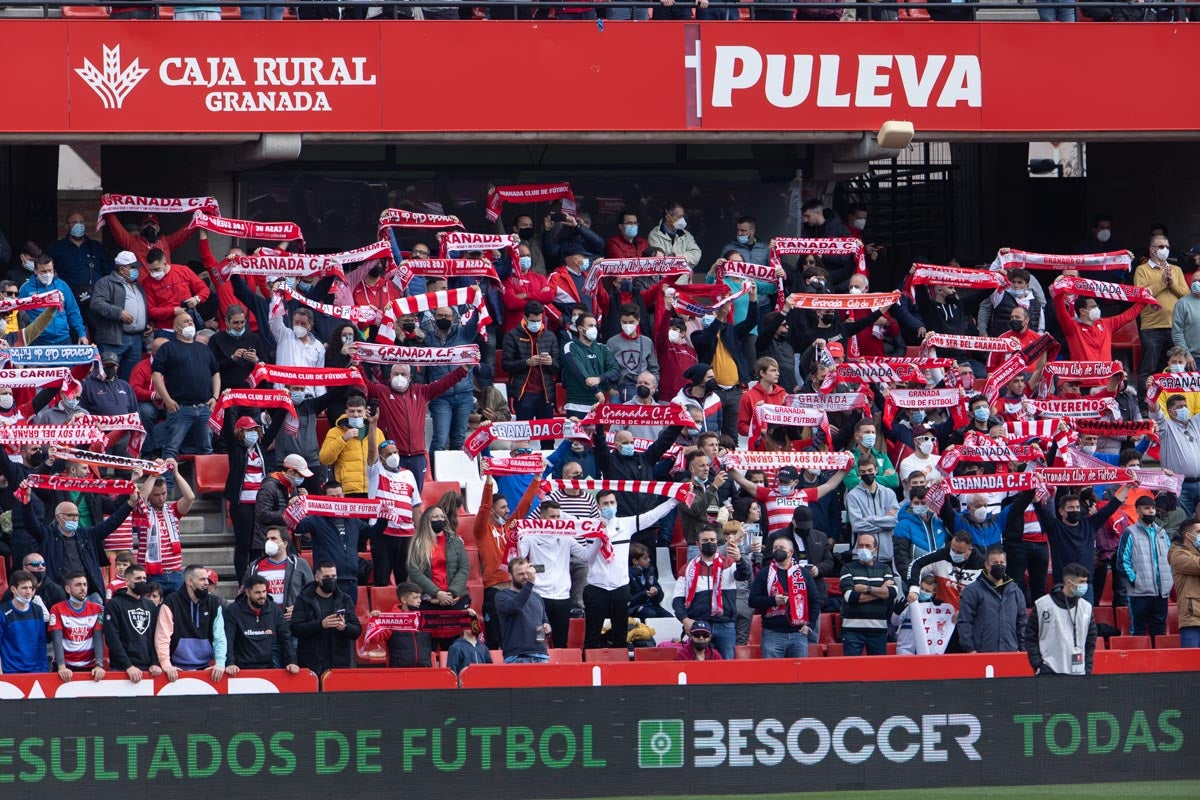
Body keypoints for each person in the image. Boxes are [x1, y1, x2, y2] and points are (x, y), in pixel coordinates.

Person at [582, 490, 677, 650]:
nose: (609, 506)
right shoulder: (589, 526)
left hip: (620, 588)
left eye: (612, 503)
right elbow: (564, 522)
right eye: (605, 503)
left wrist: (674, 501)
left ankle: (619, 664)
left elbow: (652, 516)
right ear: (598, 506)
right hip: (596, 588)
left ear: (617, 504)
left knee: (621, 636)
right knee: (592, 636)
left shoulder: (626, 523)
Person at [361, 359, 468, 494]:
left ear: (410, 377)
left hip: (417, 457)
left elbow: (445, 383)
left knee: (416, 497)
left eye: (403, 374)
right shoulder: (381, 391)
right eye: (396, 374)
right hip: (392, 455)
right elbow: (362, 382)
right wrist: (356, 364)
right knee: (395, 497)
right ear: (390, 376)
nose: (399, 377)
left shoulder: (421, 391)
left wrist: (464, 369)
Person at [22, 486, 137, 602]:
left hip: (87, 594)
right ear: (58, 517)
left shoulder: (87, 535)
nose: (74, 519)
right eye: (70, 515)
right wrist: (26, 501)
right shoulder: (47, 535)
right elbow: (30, 523)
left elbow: (112, 523)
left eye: (77, 515)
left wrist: (130, 504)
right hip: (59, 594)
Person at [151, 312, 219, 489]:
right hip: (180, 408)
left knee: (207, 449)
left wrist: (215, 397)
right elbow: (156, 375)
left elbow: (215, 373)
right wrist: (167, 399)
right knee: (171, 449)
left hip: (204, 408)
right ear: (176, 327)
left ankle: (209, 489)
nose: (190, 323)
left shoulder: (204, 349)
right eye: (186, 321)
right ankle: (166, 488)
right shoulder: (168, 348)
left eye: (191, 321)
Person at [672, 524, 747, 660]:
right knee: (697, 667)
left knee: (726, 666)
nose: (709, 543)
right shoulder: (687, 569)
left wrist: (740, 560)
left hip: (725, 624)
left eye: (712, 540)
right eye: (705, 540)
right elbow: (677, 600)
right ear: (698, 544)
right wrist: (685, 619)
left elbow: (744, 575)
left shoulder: (729, 563)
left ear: (717, 542)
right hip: (698, 626)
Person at [748, 536, 820, 658]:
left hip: (798, 633)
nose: (778, 551)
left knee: (799, 670)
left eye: (781, 548)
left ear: (791, 552)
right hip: (772, 634)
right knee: (772, 670)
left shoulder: (803, 574)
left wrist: (810, 625)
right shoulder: (764, 573)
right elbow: (752, 601)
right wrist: (773, 601)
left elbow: (815, 601)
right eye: (775, 548)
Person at [154, 564, 228, 682]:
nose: (206, 583)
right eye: (202, 579)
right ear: (189, 581)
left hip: (206, 667)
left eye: (207, 579)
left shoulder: (214, 603)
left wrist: (220, 663)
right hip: (175, 667)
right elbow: (162, 636)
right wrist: (166, 664)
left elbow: (219, 636)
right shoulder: (171, 602)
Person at [423, 305, 480, 453]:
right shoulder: (427, 338)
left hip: (464, 395)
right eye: (440, 315)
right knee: (440, 440)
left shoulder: (464, 334)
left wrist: (478, 301)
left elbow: (477, 319)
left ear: (453, 318)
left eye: (447, 316)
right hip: (440, 397)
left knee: (458, 439)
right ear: (434, 317)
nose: (443, 318)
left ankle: (455, 468)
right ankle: (433, 468)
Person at [1115, 495, 1174, 637]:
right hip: (1139, 592)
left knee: (1159, 631)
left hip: (1161, 591)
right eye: (1147, 508)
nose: (1151, 511)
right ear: (1138, 511)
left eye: (1153, 508)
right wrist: (1135, 581)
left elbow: (1170, 559)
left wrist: (1169, 580)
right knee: (1138, 631)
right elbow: (1122, 561)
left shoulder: (1162, 532)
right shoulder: (1130, 532)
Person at [1025, 562, 1097, 676]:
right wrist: (1038, 665)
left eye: (1085, 582)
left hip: (1079, 673)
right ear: (1068, 583)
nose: (1085, 586)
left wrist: (1087, 668)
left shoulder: (1087, 608)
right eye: (1081, 582)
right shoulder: (1042, 605)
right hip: (1049, 671)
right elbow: (1030, 636)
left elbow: (1090, 641)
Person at [291, 561, 362, 675]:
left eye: (333, 576)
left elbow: (357, 630)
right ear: (317, 578)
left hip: (339, 664)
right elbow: (295, 628)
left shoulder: (345, 599)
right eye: (326, 577)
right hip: (312, 664)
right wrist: (320, 624)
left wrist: (345, 627)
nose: (331, 580)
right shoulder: (304, 599)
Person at [1135, 234, 1186, 384]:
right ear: (1152, 250)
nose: (1165, 250)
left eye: (1167, 247)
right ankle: (1144, 399)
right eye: (1161, 247)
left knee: (1175, 368)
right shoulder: (1142, 270)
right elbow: (1141, 295)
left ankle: (1172, 397)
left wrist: (1172, 284)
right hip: (1152, 328)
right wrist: (1163, 283)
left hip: (1175, 328)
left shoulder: (1176, 270)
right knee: (1149, 369)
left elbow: (1186, 294)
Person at [134, 466, 195, 594]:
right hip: (152, 574)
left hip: (175, 573)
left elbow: (190, 497)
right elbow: (142, 497)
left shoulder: (172, 510)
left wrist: (176, 473)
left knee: (178, 606)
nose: (161, 498)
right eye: (156, 495)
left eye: (164, 493)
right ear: (150, 494)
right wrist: (154, 473)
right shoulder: (143, 511)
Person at [89, 251, 148, 381]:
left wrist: (146, 323)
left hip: (136, 339)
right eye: (133, 267)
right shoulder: (105, 282)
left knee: (131, 378)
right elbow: (97, 303)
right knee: (107, 377)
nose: (136, 270)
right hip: (114, 339)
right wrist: (119, 313)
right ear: (122, 269)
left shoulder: (137, 285)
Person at [956, 545, 1027, 653]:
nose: (999, 565)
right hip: (982, 653)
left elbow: (1022, 622)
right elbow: (965, 621)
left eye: (1002, 562)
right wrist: (970, 648)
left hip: (1010, 652)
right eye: (995, 563)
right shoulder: (972, 590)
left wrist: (1022, 649)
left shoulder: (1016, 591)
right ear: (987, 565)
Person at [224, 574, 299, 675]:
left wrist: (291, 661)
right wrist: (230, 663)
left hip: (268, 667)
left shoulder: (274, 609)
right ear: (247, 592)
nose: (262, 596)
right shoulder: (233, 611)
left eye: (264, 591)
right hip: (240, 669)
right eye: (257, 592)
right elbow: (228, 639)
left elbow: (285, 637)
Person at [839, 532, 899, 656]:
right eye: (860, 546)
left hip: (879, 629)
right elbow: (850, 597)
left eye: (867, 546)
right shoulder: (847, 568)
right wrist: (881, 590)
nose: (863, 549)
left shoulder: (884, 568)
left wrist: (866, 589)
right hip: (852, 630)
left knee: (878, 667)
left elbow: (892, 592)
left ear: (875, 549)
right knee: (851, 666)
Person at [501, 301, 560, 421]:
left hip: (546, 393)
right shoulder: (512, 336)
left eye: (539, 321)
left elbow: (558, 366)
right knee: (524, 430)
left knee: (546, 431)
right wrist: (526, 362)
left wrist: (551, 362)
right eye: (533, 321)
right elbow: (506, 365)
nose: (536, 324)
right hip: (523, 393)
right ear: (525, 317)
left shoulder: (550, 336)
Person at [103, 563, 162, 682]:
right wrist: (128, 665)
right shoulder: (114, 604)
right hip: (122, 669)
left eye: (144, 578)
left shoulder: (150, 605)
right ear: (127, 582)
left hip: (148, 668)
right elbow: (112, 638)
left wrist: (154, 662)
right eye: (138, 578)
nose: (142, 581)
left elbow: (155, 637)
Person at [407, 505, 470, 610]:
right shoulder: (418, 544)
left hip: (454, 596)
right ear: (427, 520)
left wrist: (451, 593)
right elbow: (414, 571)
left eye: (442, 516)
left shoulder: (456, 542)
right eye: (435, 517)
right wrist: (437, 593)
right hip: (428, 597)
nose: (440, 519)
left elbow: (464, 568)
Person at [845, 455, 901, 574]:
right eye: (863, 472)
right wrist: (885, 523)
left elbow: (895, 521)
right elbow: (857, 525)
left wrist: (870, 519)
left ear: (876, 470)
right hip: (862, 556)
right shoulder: (853, 495)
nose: (867, 474)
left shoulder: (889, 493)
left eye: (870, 470)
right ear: (859, 473)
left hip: (886, 555)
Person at [19, 255, 88, 346]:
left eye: (50, 270)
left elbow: (73, 311)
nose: (47, 274)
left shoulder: (62, 285)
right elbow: (19, 315)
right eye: (43, 271)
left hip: (63, 339)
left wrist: (82, 334)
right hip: (37, 340)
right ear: (35, 270)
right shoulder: (26, 288)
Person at [49, 571, 105, 682]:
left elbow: (98, 638)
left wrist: (99, 665)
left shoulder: (97, 609)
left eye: (85, 584)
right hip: (65, 667)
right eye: (78, 585)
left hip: (89, 667)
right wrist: (61, 666)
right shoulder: (56, 609)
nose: (83, 588)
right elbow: (57, 639)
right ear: (67, 589)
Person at [252, 526, 314, 625]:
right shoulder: (255, 566)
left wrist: (299, 610)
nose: (269, 542)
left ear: (285, 544)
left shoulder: (299, 564)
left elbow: (312, 593)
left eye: (273, 538)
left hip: (292, 624)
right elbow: (245, 594)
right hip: (264, 623)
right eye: (267, 539)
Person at [496, 558, 552, 663]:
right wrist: (530, 582)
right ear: (510, 576)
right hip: (517, 656)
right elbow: (516, 605)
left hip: (541, 655)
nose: (526, 577)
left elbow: (544, 620)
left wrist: (547, 627)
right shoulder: (502, 596)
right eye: (521, 574)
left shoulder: (537, 597)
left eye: (527, 573)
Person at [47, 211, 113, 301]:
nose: (78, 225)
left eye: (81, 222)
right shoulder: (56, 248)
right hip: (68, 298)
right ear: (67, 226)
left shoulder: (96, 246)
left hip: (96, 299)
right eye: (74, 222)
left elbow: (108, 271)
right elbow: (47, 270)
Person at [561, 312, 619, 415]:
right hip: (577, 405)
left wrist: (599, 378)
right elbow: (579, 372)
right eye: (590, 325)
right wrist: (595, 390)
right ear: (580, 328)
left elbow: (615, 370)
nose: (594, 329)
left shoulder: (603, 348)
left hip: (599, 405)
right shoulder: (570, 347)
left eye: (595, 326)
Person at [141, 249, 209, 335]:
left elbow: (204, 289)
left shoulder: (183, 271)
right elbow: (151, 311)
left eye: (156, 269)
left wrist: (196, 299)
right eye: (151, 270)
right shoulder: (147, 282)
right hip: (164, 329)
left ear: (165, 263)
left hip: (187, 326)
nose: (153, 273)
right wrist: (173, 311)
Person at [1154, 395, 1200, 517]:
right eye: (1180, 407)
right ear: (1170, 411)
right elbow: (1155, 411)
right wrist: (1152, 391)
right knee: (1183, 520)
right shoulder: (1165, 427)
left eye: (1185, 406)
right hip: (1179, 485)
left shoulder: (1195, 423)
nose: (1184, 409)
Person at [101, 212, 195, 268]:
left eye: (153, 224)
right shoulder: (133, 242)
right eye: (146, 224)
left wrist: (199, 217)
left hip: (164, 288)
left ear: (158, 228)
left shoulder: (166, 242)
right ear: (141, 228)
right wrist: (108, 209)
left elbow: (185, 232)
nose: (149, 226)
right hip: (142, 289)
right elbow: (116, 228)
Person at [0, 570, 49, 674]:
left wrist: (44, 670)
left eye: (31, 588)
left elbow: (41, 643)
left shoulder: (37, 610)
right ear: (13, 589)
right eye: (24, 588)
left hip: (35, 671)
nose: (28, 592)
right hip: (10, 671)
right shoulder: (3, 611)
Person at [375, 582, 432, 669]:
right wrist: (375, 621)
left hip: (424, 669)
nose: (419, 601)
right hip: (398, 670)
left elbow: (441, 633)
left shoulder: (424, 617)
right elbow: (374, 638)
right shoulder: (391, 619)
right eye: (415, 597)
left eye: (419, 597)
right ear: (404, 600)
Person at [1167, 518, 1200, 648]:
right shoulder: (1178, 555)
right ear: (1188, 535)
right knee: (1190, 659)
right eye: (1199, 532)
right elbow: (1197, 564)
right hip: (1192, 619)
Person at [647, 201, 702, 268]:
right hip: (664, 275)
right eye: (679, 217)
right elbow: (659, 260)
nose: (682, 219)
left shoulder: (686, 235)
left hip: (684, 274)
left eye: (683, 216)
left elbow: (696, 253)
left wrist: (676, 256)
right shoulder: (655, 235)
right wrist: (683, 259)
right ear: (668, 217)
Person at [628, 543, 670, 619]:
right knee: (650, 614)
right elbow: (628, 601)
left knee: (669, 617)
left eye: (648, 557)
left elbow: (660, 596)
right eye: (645, 558)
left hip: (651, 605)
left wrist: (656, 591)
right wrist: (644, 594)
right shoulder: (627, 576)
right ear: (635, 561)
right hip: (634, 608)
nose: (649, 560)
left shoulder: (649, 571)